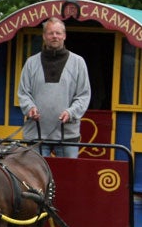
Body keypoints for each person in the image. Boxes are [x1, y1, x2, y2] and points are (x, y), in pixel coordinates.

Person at [18, 16, 91, 158]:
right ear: (44, 36)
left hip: (67, 135)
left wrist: (71, 113)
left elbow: (83, 95)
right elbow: (23, 93)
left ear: (64, 36)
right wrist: (30, 108)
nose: (54, 36)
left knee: (67, 179)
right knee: (35, 180)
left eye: (58, 33)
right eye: (50, 33)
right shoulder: (31, 63)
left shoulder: (78, 63)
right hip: (36, 134)